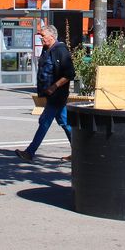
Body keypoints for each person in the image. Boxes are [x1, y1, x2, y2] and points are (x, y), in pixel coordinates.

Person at [16, 25, 75, 162]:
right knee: (65, 123)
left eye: (43, 36)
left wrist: (54, 87)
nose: (41, 38)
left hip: (57, 95)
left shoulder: (61, 50)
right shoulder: (46, 49)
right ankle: (79, 152)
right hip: (50, 95)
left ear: (52, 36)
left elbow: (70, 74)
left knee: (44, 122)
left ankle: (30, 152)